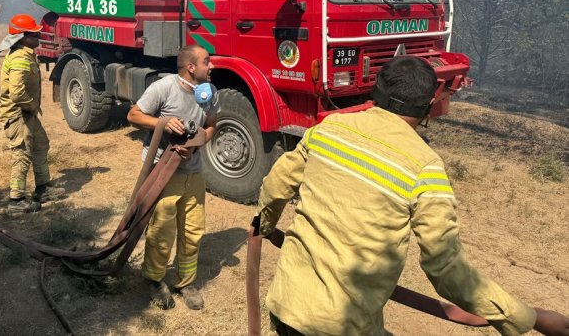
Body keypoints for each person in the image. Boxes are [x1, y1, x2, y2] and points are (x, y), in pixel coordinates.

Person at [254, 56, 569, 336]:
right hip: (342, 325)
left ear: (375, 90)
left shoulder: (327, 129)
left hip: (287, 305)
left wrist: (265, 227)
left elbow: (276, 186)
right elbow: (446, 270)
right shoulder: (425, 167)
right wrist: (531, 317)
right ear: (430, 104)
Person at [126, 44, 219, 311]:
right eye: (206, 62)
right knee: (162, 230)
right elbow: (133, 114)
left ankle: (185, 282)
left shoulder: (209, 92)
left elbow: (212, 123)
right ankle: (154, 280)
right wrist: (163, 123)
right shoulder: (164, 87)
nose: (211, 66)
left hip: (193, 171)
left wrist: (198, 141)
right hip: (162, 171)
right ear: (191, 67)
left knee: (193, 229)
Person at [0, 13, 64, 214]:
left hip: (28, 114)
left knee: (41, 145)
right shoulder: (19, 58)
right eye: (34, 35)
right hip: (19, 114)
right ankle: (16, 200)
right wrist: (31, 106)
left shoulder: (25, 54)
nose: (39, 37)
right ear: (23, 37)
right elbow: (17, 94)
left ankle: (42, 188)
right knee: (22, 154)